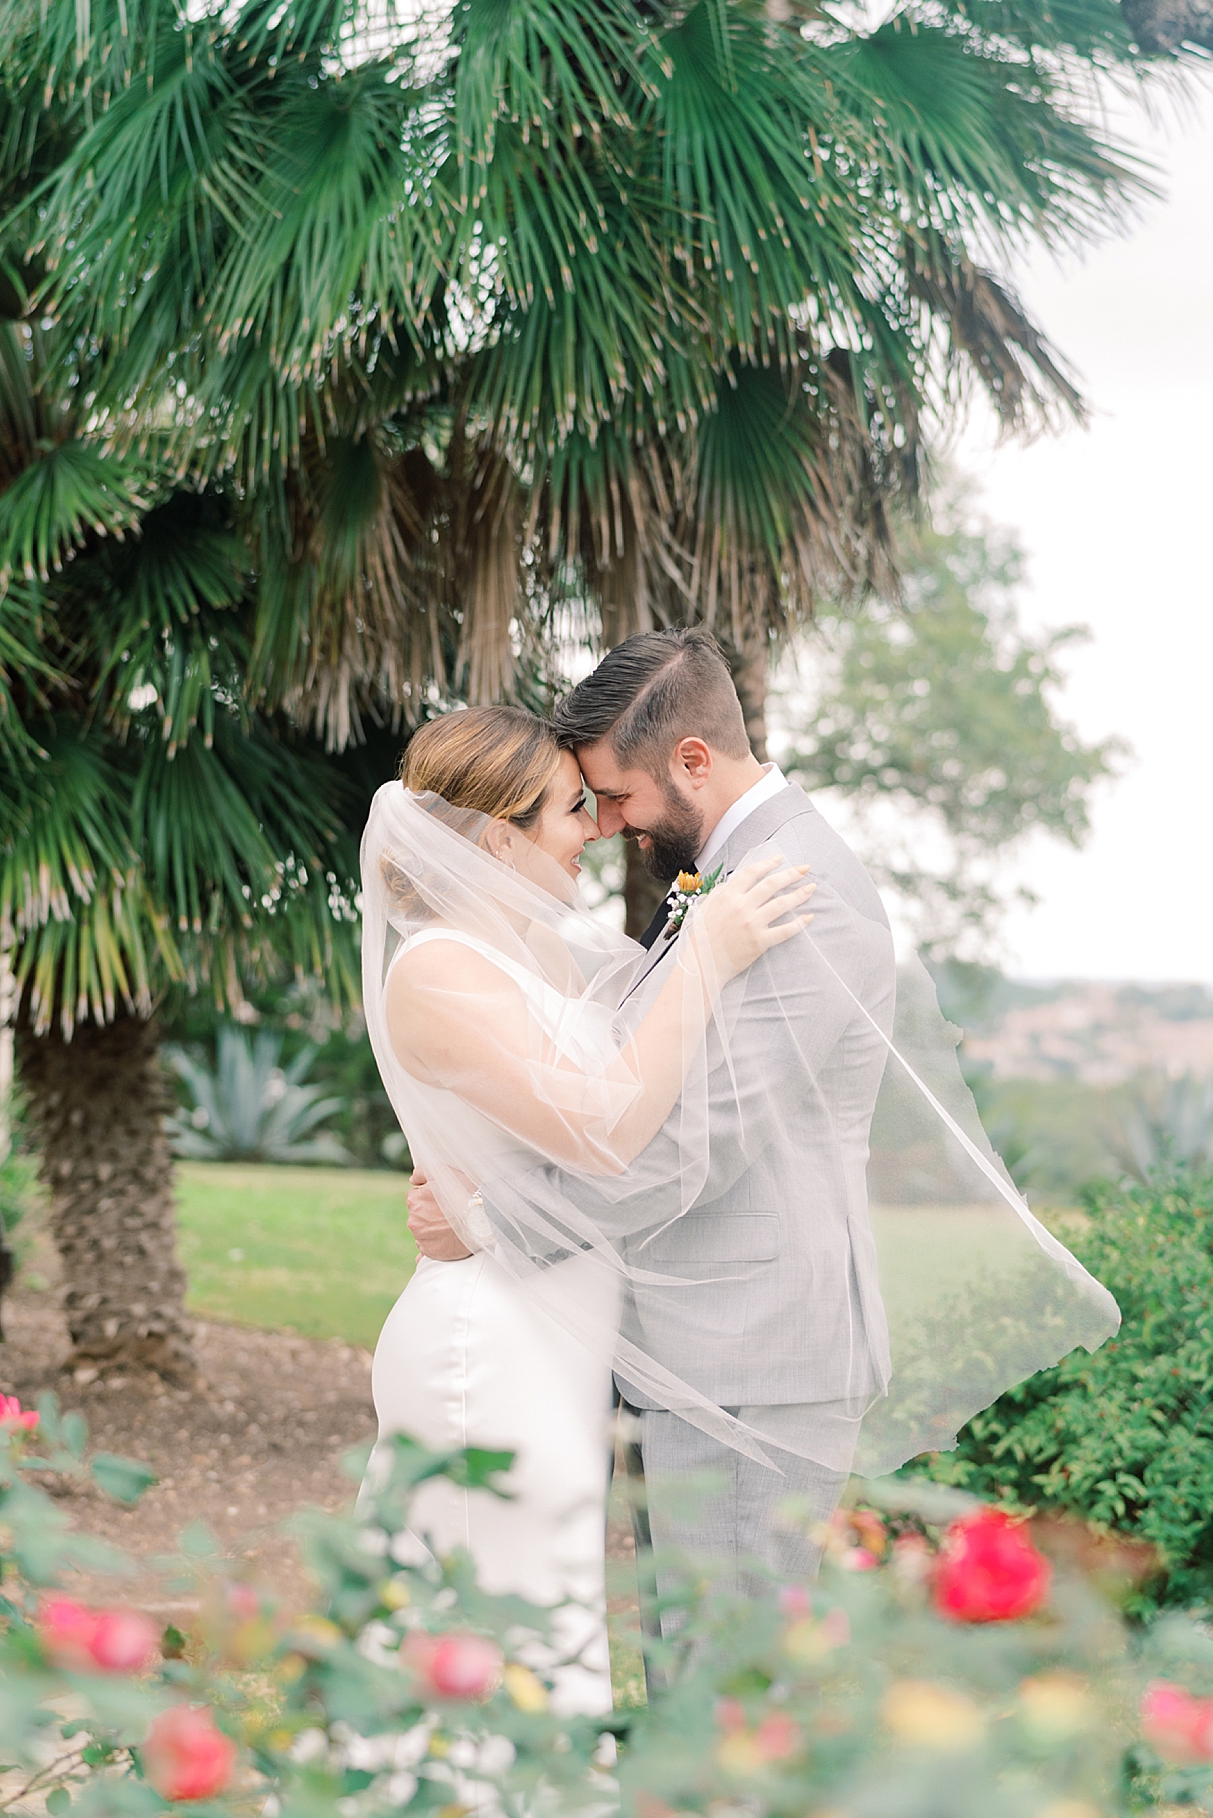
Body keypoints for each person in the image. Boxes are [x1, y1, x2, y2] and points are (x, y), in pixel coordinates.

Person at [404, 630, 1120, 1627]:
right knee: (695, 1663)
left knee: (721, 1687)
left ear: (692, 759)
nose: (608, 823)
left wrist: (492, 1217)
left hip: (753, 1355)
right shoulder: (741, 868)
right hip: (714, 1349)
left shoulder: (799, 889)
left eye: (617, 795)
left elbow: (694, 1143)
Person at [357, 703, 812, 1712]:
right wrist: (705, 953)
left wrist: (483, 1202)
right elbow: (603, 1128)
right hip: (491, 1337)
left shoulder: (546, 958)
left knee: (543, 1630)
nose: (597, 827)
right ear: (502, 837)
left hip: (558, 1330)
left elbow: (644, 1094)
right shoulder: (436, 971)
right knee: (485, 1635)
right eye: (573, 808)